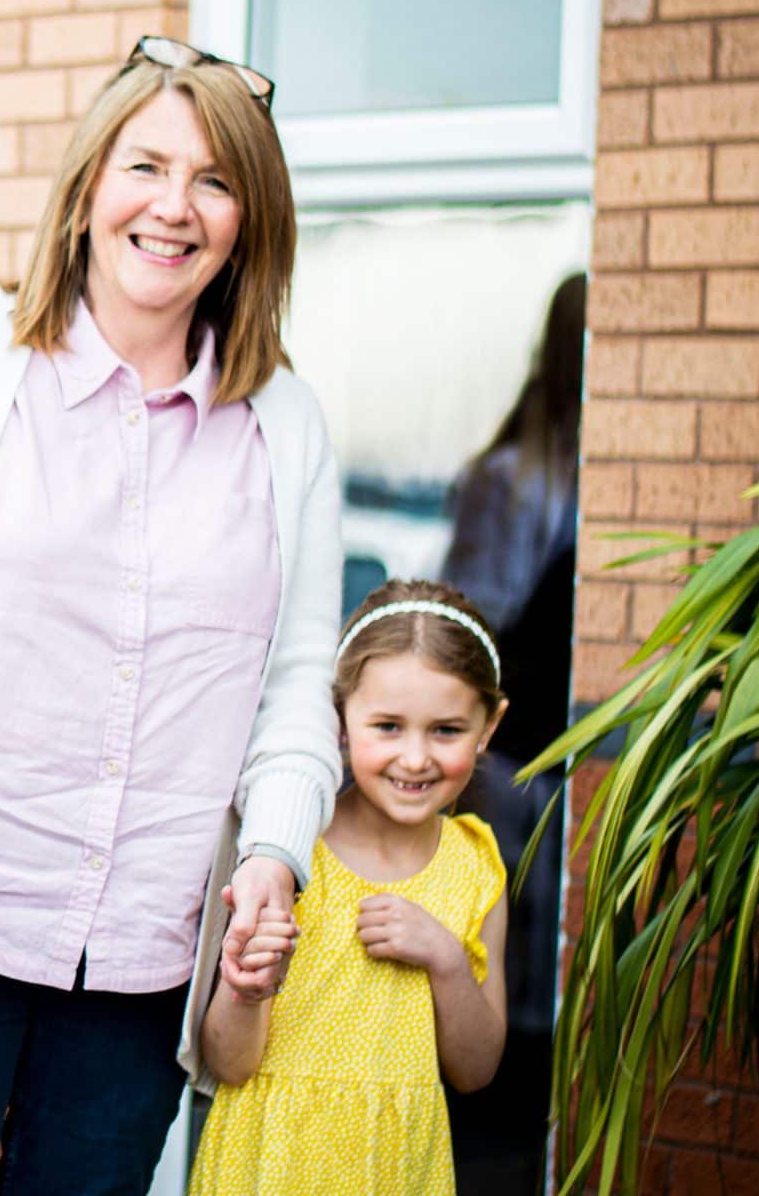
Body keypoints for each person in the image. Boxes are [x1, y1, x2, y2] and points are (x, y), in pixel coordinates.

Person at [0, 37, 340, 1194]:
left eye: (216, 180)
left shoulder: (285, 424)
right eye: (146, 164)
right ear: (90, 183)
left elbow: (297, 689)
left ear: (251, 220)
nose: (173, 207)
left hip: (143, 962)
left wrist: (276, 856)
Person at [191, 580, 512, 1193]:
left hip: (393, 1171)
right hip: (269, 1163)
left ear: (488, 726)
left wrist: (446, 958)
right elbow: (230, 1064)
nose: (415, 758)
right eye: (387, 726)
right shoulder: (285, 851)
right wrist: (248, 988)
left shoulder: (475, 867)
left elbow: (475, 1070)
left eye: (446, 730)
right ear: (337, 719)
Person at [436, 271, 581, 1194]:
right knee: (509, 897)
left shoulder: (581, 472)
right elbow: (472, 628)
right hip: (505, 739)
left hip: (561, 736)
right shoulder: (510, 478)